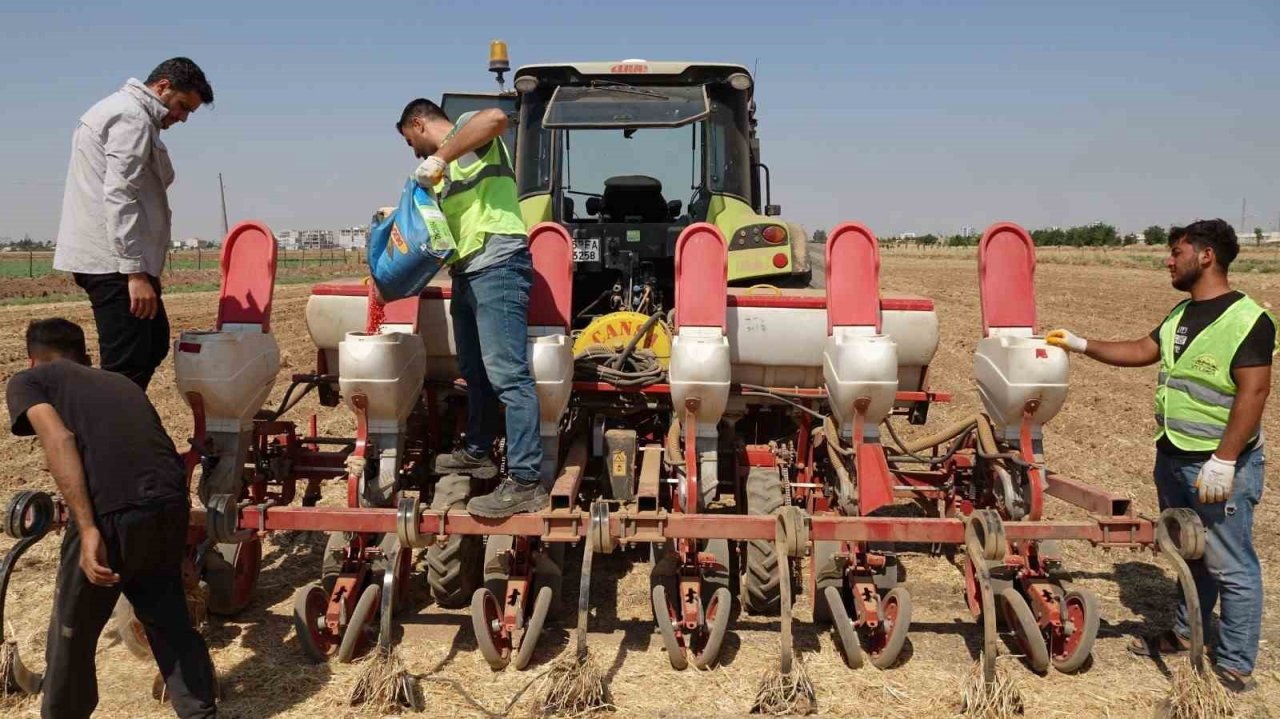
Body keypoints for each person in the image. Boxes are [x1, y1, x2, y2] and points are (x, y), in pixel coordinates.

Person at [1047, 219, 1275, 694]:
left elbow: (1254, 393)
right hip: (1173, 455)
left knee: (1231, 564)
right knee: (1189, 552)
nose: (1168, 260)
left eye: (1176, 252)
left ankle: (1235, 664)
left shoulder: (1248, 319)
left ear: (1206, 255)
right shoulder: (1182, 314)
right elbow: (1141, 350)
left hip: (1215, 463)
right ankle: (1185, 631)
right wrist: (1082, 344)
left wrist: (1226, 459)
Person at [6, 319, 217, 718]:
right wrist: (173, 546)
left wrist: (87, 528)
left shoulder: (29, 381)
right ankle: (199, 710)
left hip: (111, 513)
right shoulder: (120, 383)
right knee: (167, 618)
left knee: (73, 630)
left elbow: (59, 440)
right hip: (167, 504)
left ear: (34, 359)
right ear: (86, 357)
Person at [394, 99, 546, 518]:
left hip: (498, 263)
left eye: (413, 143)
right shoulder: (442, 177)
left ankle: (527, 481)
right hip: (467, 268)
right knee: (474, 371)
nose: (417, 154)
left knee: (508, 375)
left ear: (419, 124)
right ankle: (479, 451)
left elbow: (497, 119)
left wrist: (439, 157)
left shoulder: (465, 130)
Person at [53, 58, 214, 391]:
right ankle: (100, 435)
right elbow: (120, 194)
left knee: (151, 344)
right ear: (163, 86)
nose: (182, 118)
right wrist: (135, 273)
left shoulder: (133, 115)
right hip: (113, 262)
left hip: (118, 260)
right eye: (183, 106)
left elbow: (151, 182)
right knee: (125, 364)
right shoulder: (132, 118)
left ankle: (118, 427)